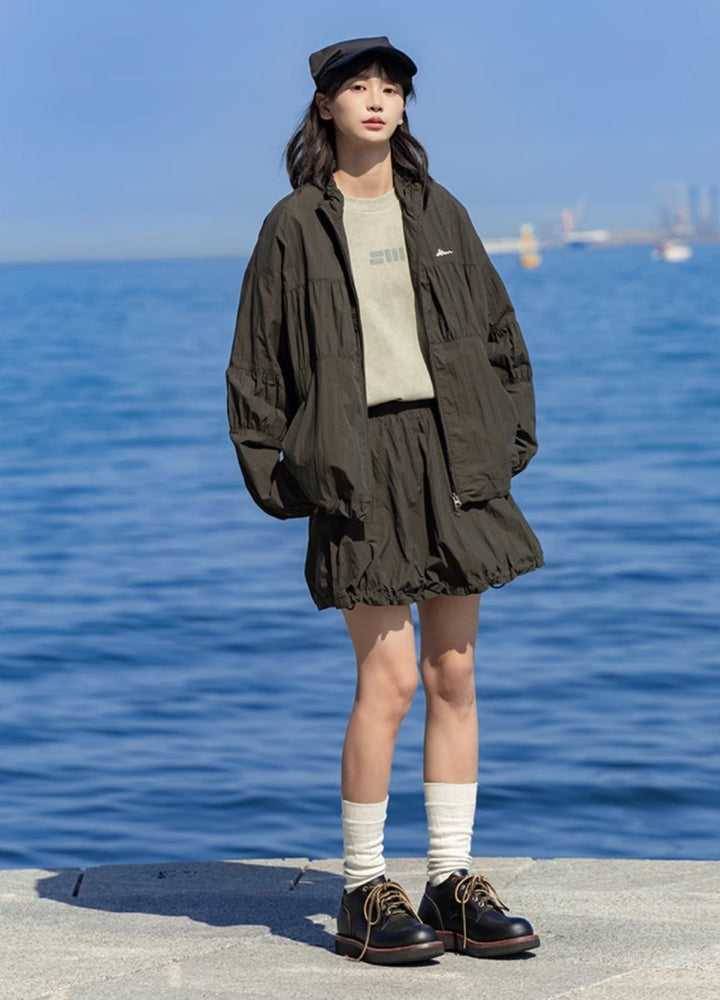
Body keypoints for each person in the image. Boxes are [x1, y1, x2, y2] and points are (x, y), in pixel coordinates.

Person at [226, 36, 544, 966]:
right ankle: (364, 889)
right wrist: (285, 477)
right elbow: (256, 366)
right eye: (359, 87)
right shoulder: (293, 225)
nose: (377, 100)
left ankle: (453, 881)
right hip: (358, 462)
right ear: (325, 106)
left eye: (392, 88)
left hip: (453, 455)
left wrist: (506, 441)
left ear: (405, 107)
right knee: (391, 678)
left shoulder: (440, 210)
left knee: (454, 673)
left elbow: (501, 336)